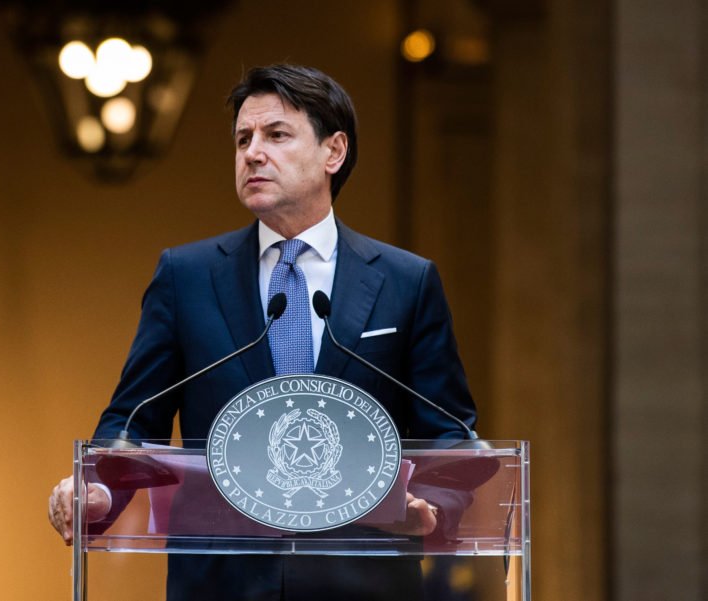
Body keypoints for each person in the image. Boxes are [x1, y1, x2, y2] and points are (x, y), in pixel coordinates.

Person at [47, 64, 477, 600]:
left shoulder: (405, 281)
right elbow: (135, 419)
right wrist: (98, 489)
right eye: (242, 139)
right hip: (220, 583)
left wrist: (432, 507)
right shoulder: (187, 277)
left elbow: (450, 431)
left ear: (334, 151)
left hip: (363, 580)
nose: (252, 153)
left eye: (276, 135)